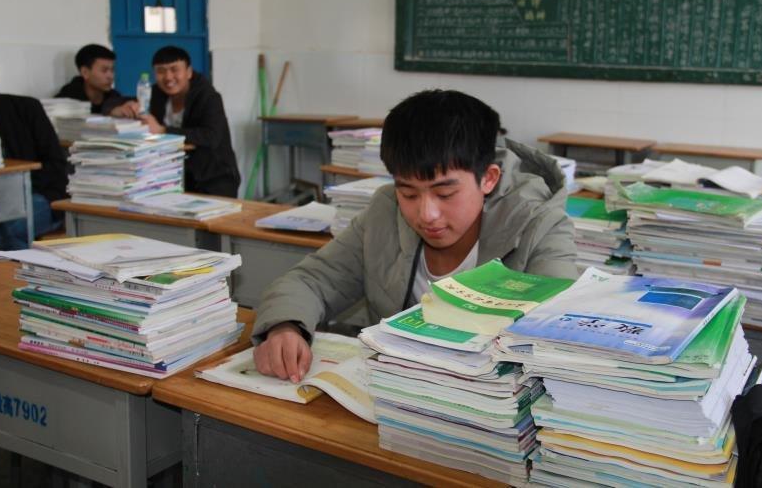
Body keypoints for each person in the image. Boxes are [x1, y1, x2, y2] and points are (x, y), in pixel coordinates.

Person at [251, 89, 578, 382]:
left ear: (488, 179)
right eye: (409, 193)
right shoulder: (385, 212)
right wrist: (286, 326)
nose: (427, 214)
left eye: (445, 194)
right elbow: (312, 280)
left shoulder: (540, 227)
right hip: (396, 401)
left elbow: (559, 339)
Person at [0, 52, 68, 251]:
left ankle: (21, 277)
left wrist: (14, 184)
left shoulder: (26, 108)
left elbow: (55, 163)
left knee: (1, 232)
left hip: (40, 194)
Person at [136, 46, 240, 197]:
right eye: (160, 71)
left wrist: (163, 131)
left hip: (214, 179)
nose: (168, 77)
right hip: (174, 177)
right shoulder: (155, 94)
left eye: (174, 69)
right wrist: (123, 108)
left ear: (189, 72)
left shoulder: (209, 97)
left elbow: (211, 136)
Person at [55, 44, 135, 116]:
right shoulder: (67, 99)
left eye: (112, 70)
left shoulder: (114, 97)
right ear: (85, 72)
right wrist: (109, 115)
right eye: (104, 70)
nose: (110, 76)